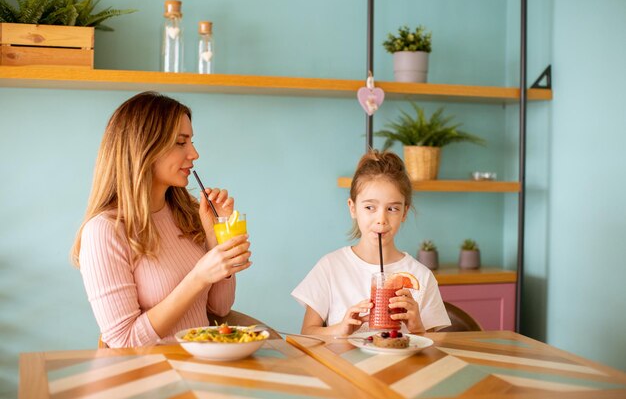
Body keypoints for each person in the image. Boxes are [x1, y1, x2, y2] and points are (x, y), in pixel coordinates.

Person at [71, 91, 252, 347]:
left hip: (200, 367)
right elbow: (123, 341)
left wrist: (216, 240)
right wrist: (197, 277)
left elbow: (220, 308)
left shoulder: (187, 213)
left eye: (191, 141)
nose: (194, 153)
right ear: (144, 148)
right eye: (181, 142)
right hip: (149, 378)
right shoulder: (105, 231)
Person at [291, 150, 450, 335]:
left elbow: (432, 351)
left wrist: (417, 328)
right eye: (369, 207)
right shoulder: (330, 267)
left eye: (392, 208)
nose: (381, 219)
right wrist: (340, 329)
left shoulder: (421, 277)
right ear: (353, 208)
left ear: (404, 213)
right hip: (343, 364)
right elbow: (306, 334)